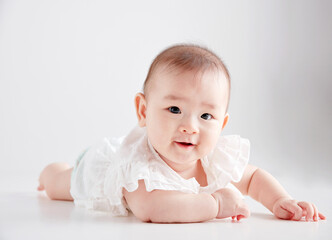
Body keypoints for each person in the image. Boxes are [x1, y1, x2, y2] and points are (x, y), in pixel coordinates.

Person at [38, 44, 326, 223]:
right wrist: (215, 204)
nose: (190, 126)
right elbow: (152, 208)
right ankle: (49, 172)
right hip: (97, 170)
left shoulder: (212, 159)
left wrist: (280, 200)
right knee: (58, 185)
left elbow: (253, 179)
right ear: (143, 111)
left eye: (205, 116)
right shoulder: (139, 170)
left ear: (221, 125)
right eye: (175, 109)